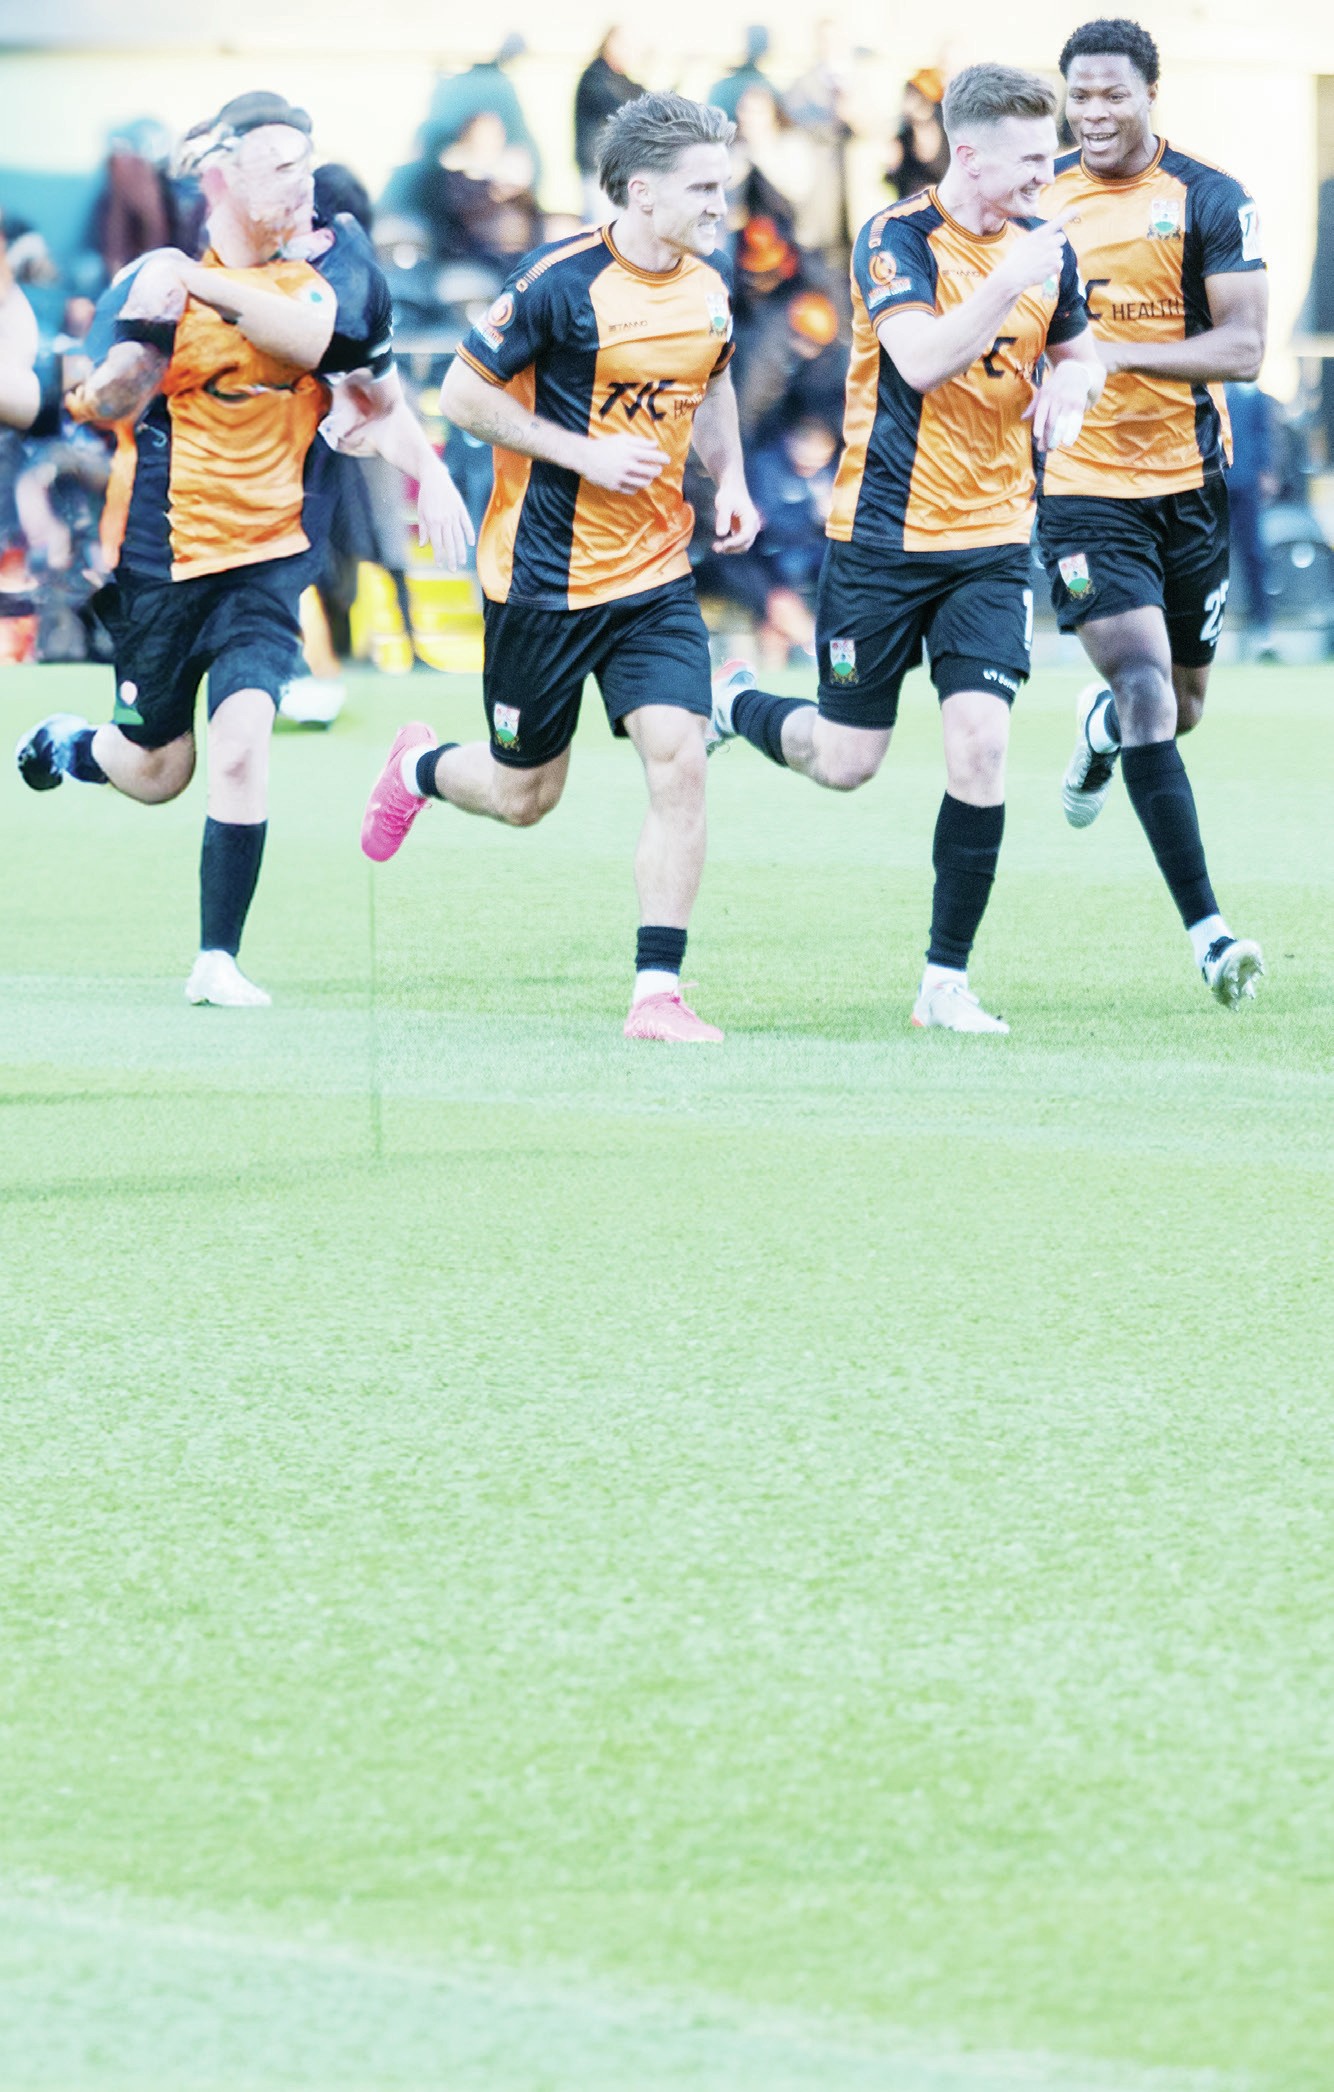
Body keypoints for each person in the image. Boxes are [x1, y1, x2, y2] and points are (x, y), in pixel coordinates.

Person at [15, 91, 472, 1007]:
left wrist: (430, 471)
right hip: (166, 559)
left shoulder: (318, 281)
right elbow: (87, 397)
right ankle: (73, 745)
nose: (304, 185)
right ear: (224, 179)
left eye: (308, 163)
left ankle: (216, 960)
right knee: (157, 770)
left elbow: (363, 384)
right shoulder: (152, 288)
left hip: (268, 559)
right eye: (281, 168)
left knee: (238, 745)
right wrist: (98, 379)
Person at [709, 63, 1102, 1035]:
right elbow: (921, 360)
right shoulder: (895, 238)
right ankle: (733, 701)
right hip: (881, 538)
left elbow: (1079, 350)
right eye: (1027, 159)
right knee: (846, 761)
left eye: (1048, 156)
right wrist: (1007, 279)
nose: (1044, 174)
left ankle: (944, 981)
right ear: (967, 154)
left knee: (981, 744)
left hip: (991, 541)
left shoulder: (1046, 247)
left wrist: (1074, 381)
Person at [361, 91, 760, 1044]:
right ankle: (416, 767)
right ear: (641, 191)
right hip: (540, 578)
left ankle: (656, 995)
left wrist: (733, 479)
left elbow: (712, 383)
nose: (721, 205)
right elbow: (464, 397)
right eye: (703, 189)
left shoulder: (708, 287)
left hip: (654, 575)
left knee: (679, 762)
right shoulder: (555, 282)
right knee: (525, 796)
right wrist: (582, 454)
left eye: (724, 186)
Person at [1040, 17, 1268, 1008]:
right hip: (1081, 488)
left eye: (1112, 95)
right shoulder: (1034, 201)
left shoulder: (1209, 197)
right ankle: (1210, 936)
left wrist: (1110, 355)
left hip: (1188, 484)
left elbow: (1244, 348)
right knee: (1143, 686)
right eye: (1079, 96)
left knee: (1179, 706)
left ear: (1148, 97)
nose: (1093, 113)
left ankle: (1099, 733)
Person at [574, 29, 646, 219]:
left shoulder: (618, 78)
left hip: (616, 171)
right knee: (602, 228)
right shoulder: (595, 77)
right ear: (611, 45)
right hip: (598, 170)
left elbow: (646, 100)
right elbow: (622, 108)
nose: (631, 54)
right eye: (626, 48)